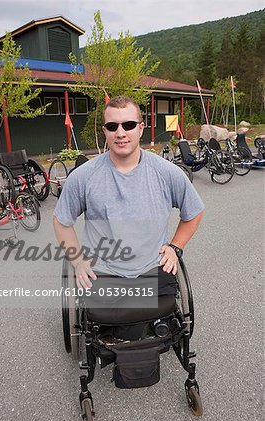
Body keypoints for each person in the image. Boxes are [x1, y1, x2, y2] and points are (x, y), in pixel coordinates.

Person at [53, 96, 204, 339]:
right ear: (105, 131)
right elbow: (61, 221)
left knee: (157, 309)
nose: (120, 133)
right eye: (112, 126)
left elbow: (194, 212)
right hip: (103, 271)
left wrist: (175, 247)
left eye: (129, 125)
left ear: (141, 128)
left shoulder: (167, 173)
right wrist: (78, 260)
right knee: (103, 313)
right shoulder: (84, 177)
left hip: (152, 268)